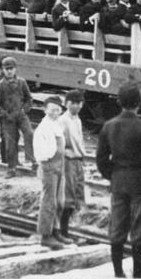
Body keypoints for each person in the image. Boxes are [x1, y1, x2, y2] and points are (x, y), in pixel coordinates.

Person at [97, 84, 141, 278]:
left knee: (118, 224)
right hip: (139, 181)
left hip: (118, 180)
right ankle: (138, 273)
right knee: (140, 226)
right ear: (139, 103)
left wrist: (112, 175)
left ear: (118, 102)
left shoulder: (109, 126)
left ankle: (118, 272)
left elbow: (101, 159)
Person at [33, 96, 68, 249]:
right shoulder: (43, 127)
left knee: (60, 201)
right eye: (52, 109)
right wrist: (46, 164)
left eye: (58, 110)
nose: (55, 112)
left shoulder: (56, 125)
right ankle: (46, 235)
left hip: (60, 165)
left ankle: (56, 230)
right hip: (49, 166)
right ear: (45, 110)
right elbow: (40, 150)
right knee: (49, 201)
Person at [0, 56, 35, 176]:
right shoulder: (0, 85)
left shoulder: (22, 82)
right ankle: (12, 168)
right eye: (7, 69)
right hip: (8, 118)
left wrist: (25, 110)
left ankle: (32, 160)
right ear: (3, 70)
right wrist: (4, 114)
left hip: (21, 115)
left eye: (11, 68)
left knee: (29, 133)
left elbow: (29, 98)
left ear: (15, 69)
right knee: (10, 143)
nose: (9, 71)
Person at [59, 90, 87, 243]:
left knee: (77, 194)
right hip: (68, 161)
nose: (76, 106)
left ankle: (67, 230)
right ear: (67, 104)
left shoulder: (77, 119)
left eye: (79, 103)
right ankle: (62, 232)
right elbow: (58, 141)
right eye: (73, 103)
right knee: (68, 196)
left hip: (77, 160)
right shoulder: (63, 120)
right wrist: (66, 153)